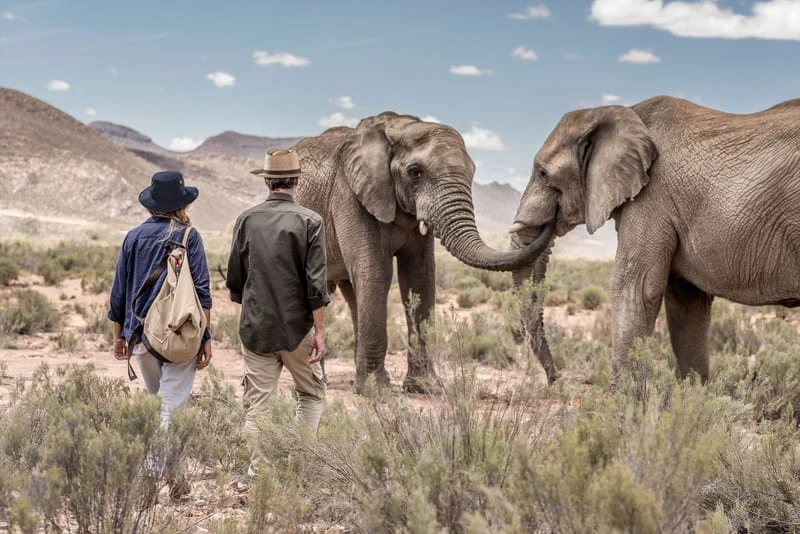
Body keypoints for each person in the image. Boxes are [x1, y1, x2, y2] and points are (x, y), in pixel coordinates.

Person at [226, 148, 329, 477]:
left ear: (267, 182)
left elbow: (236, 280)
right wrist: (321, 332)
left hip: (256, 328)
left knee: (258, 406)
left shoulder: (246, 219)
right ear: (297, 181)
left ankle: (260, 478)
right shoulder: (311, 221)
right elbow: (316, 285)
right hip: (299, 328)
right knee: (311, 396)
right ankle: (301, 469)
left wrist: (258, 308)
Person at [108, 170, 213, 429]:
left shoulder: (132, 237)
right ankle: (159, 467)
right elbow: (202, 292)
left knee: (158, 402)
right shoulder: (189, 236)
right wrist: (205, 337)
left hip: (140, 335)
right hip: (181, 331)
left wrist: (118, 336)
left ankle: (157, 462)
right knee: (172, 405)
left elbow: (118, 292)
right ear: (183, 204)